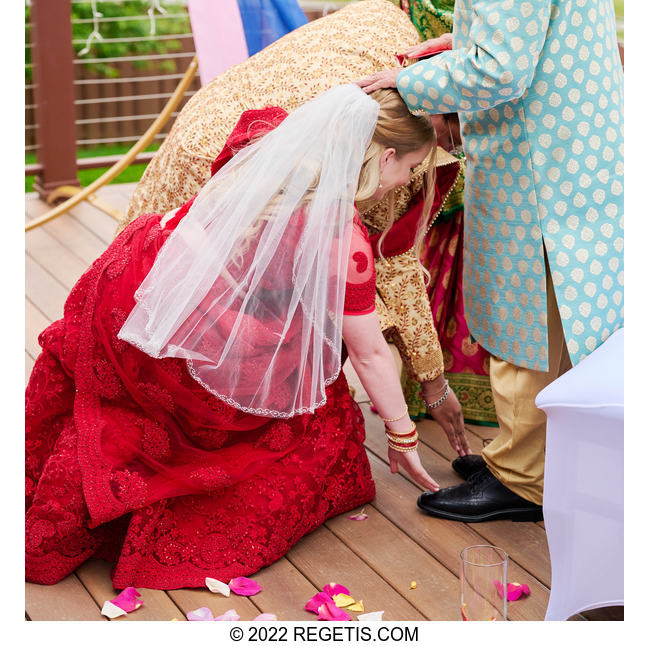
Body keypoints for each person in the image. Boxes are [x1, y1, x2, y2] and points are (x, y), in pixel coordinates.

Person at [26, 85, 471, 588]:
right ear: (385, 156)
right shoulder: (343, 239)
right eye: (410, 168)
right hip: (191, 338)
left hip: (133, 288)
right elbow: (369, 353)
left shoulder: (274, 149)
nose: (406, 181)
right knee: (317, 433)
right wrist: (401, 434)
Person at [359, 0, 624, 521]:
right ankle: (537, 457)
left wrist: (407, 84)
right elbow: (542, 26)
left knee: (525, 327)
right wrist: (459, 37)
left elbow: (498, 69)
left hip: (534, 164)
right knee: (568, 321)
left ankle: (519, 482)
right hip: (582, 151)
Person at [121, 0, 468, 432]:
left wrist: (425, 373)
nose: (451, 154)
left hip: (215, 124)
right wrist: (430, 387)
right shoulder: (376, 145)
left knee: (155, 296)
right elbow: (375, 274)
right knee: (224, 330)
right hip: (224, 164)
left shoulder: (393, 35)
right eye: (455, 140)